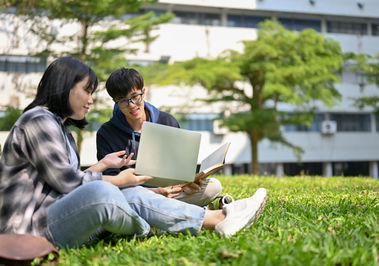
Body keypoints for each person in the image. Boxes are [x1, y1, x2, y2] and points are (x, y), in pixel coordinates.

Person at [0, 57, 267, 249]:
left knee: (128, 192)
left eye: (92, 92)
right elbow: (68, 184)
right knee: (112, 192)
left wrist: (102, 166)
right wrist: (119, 179)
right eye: (86, 90)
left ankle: (158, 221)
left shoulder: (61, 130)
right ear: (64, 86)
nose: (91, 100)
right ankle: (217, 218)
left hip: (63, 217)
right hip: (30, 231)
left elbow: (63, 180)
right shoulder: (38, 120)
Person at [97, 67, 222, 207]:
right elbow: (112, 185)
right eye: (123, 101)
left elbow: (179, 167)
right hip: (135, 198)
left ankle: (164, 217)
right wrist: (156, 192)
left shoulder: (167, 121)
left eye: (134, 97)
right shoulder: (106, 133)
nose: (131, 105)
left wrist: (187, 184)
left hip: (172, 194)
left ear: (143, 92)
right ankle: (181, 212)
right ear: (115, 102)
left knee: (214, 186)